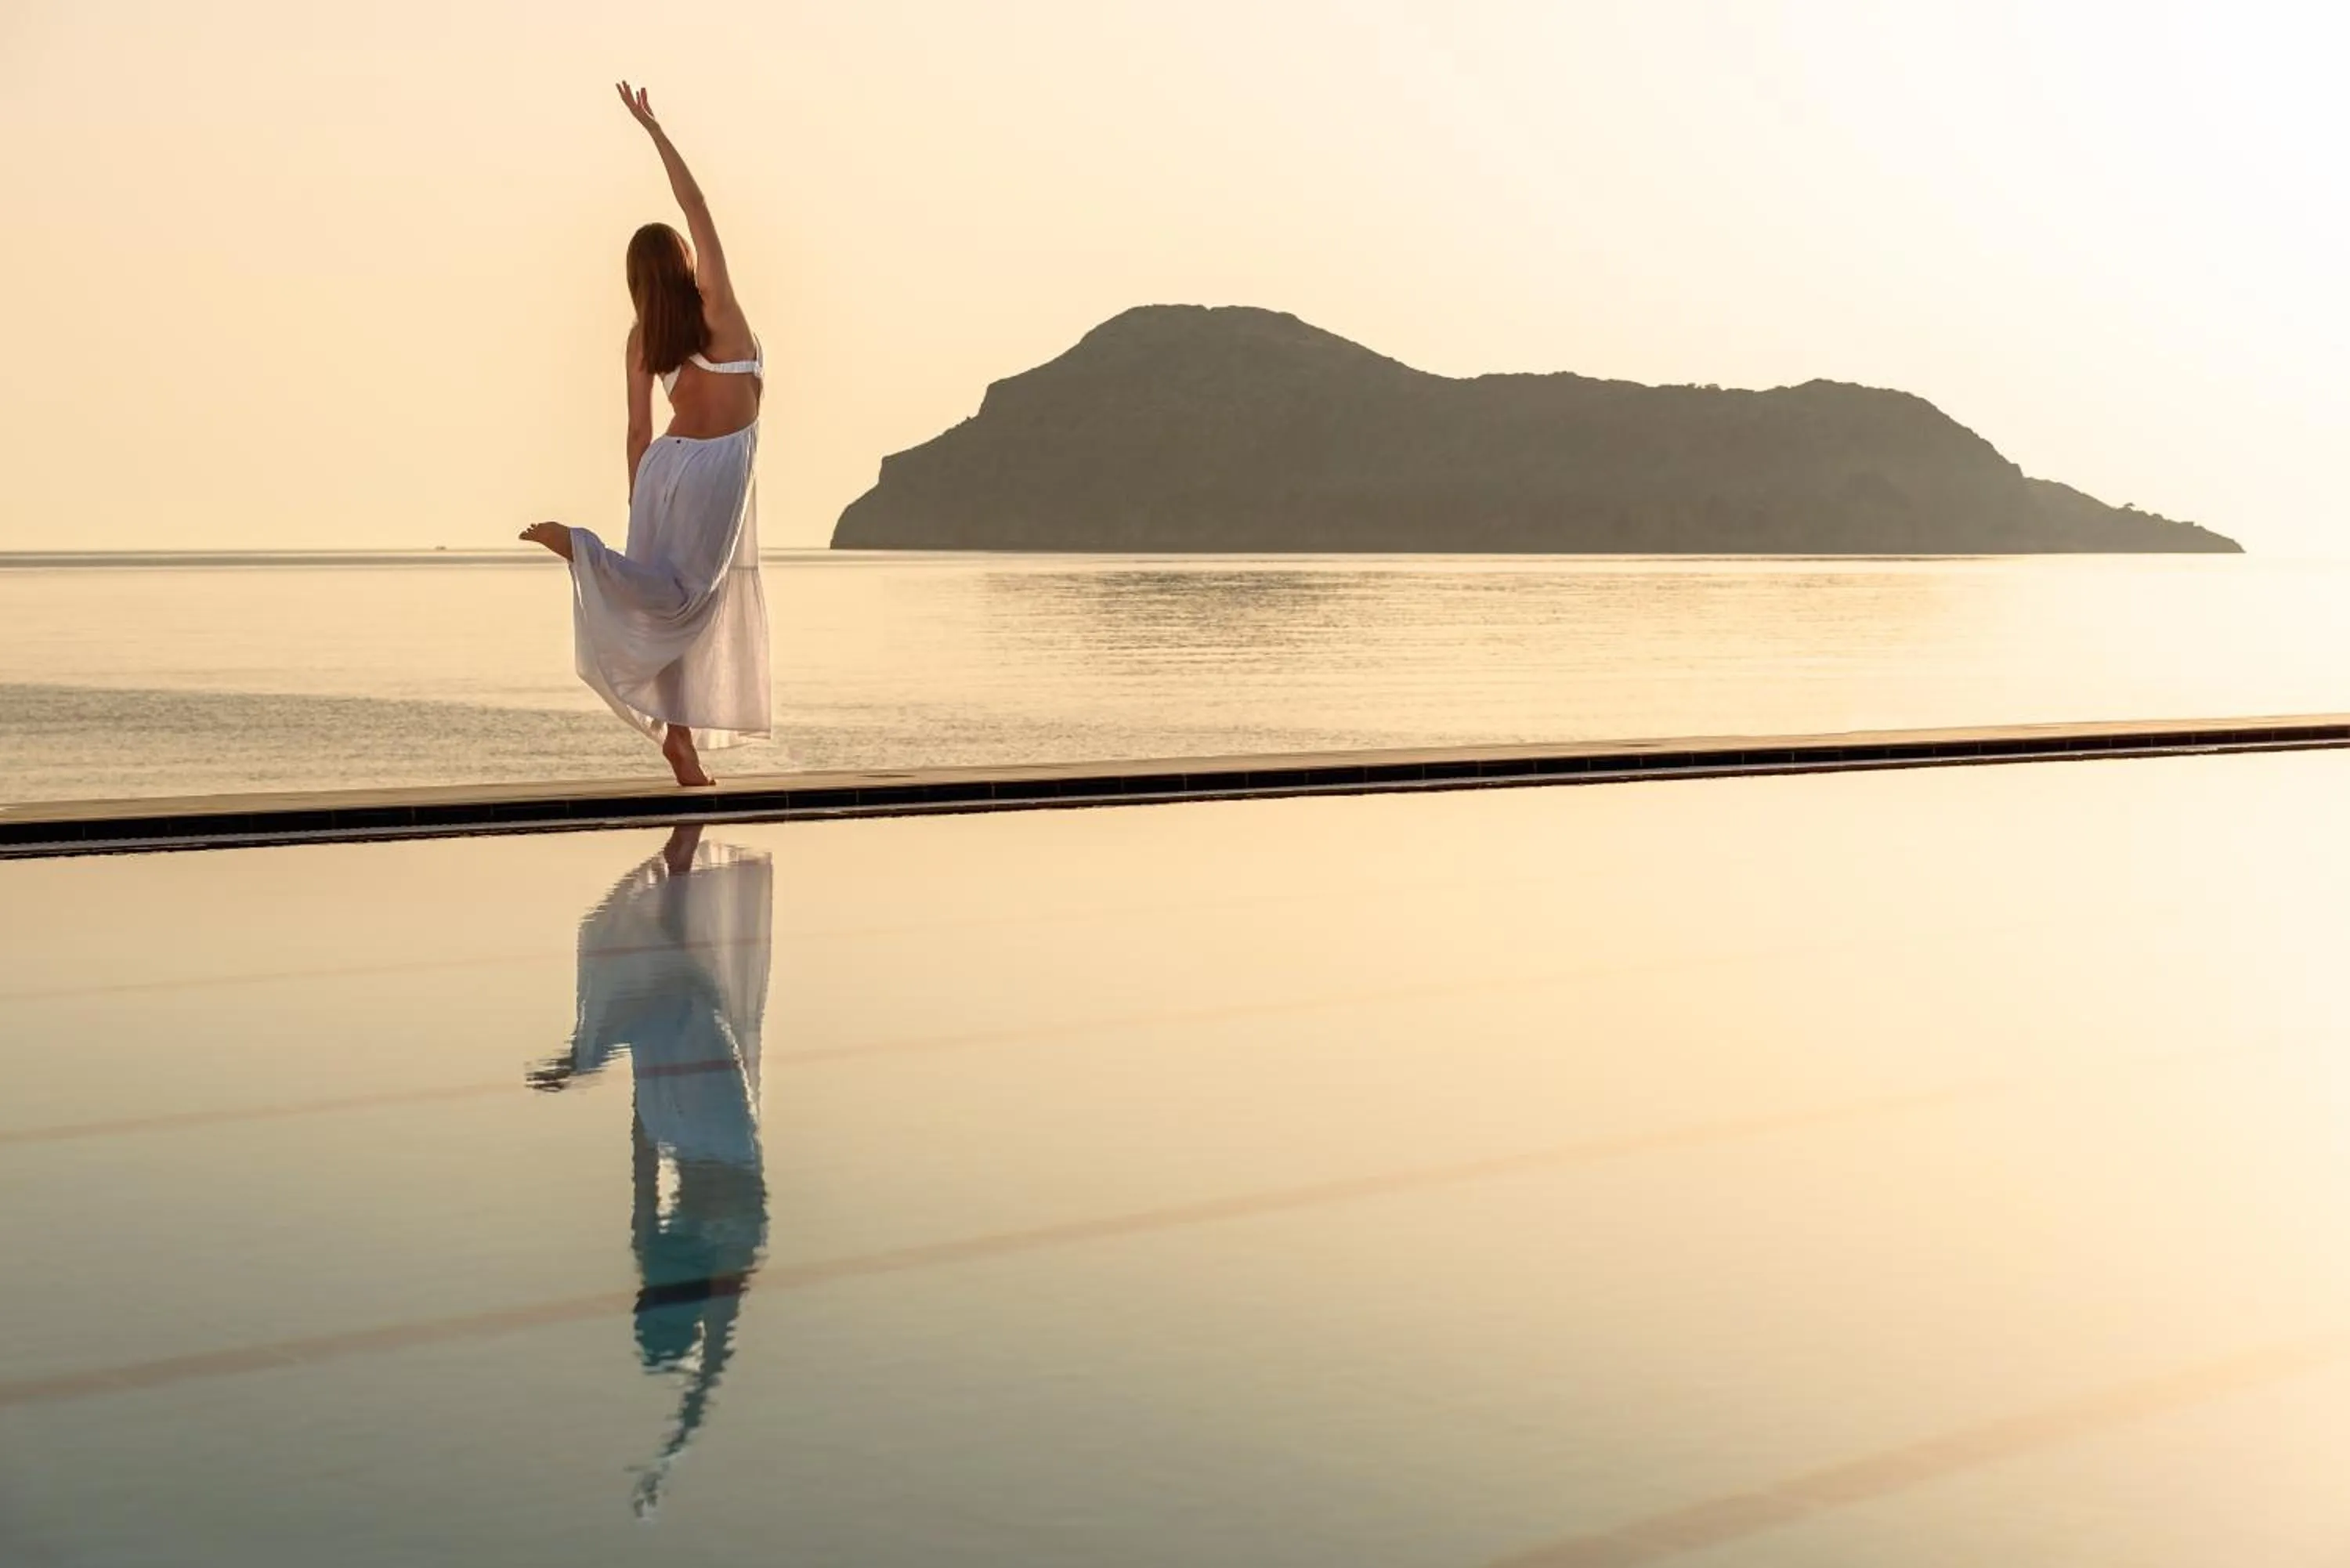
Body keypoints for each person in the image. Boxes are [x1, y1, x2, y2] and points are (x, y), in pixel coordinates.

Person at [523, 84, 770, 788]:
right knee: (695, 597)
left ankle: (681, 743)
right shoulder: (719, 309)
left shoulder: (644, 337)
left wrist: (640, 507)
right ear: (685, 260)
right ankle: (583, 550)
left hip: (664, 469)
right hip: (719, 465)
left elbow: (638, 431)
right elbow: (699, 206)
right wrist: (657, 131)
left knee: (669, 593)